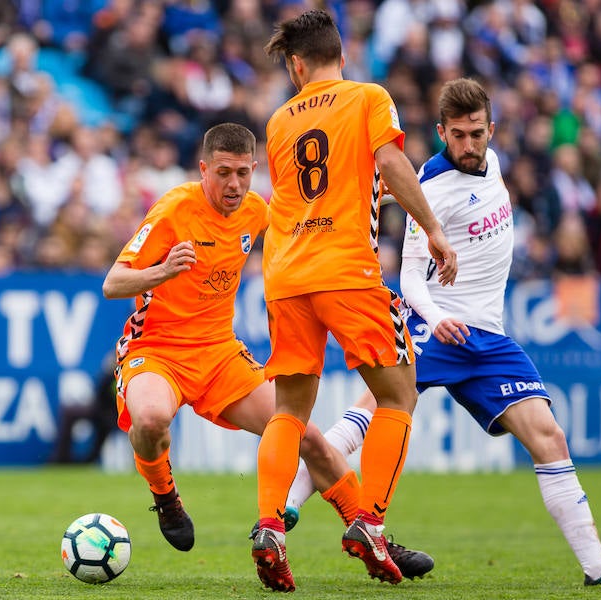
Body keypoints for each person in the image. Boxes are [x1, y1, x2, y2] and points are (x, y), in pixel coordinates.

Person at [285, 77, 601, 588]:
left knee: (549, 435)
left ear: (492, 130)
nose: (468, 145)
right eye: (458, 135)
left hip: (489, 338)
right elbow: (410, 276)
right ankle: (287, 507)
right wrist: (437, 319)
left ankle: (600, 569)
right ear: (441, 131)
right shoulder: (433, 188)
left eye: (477, 134)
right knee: (375, 410)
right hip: (434, 326)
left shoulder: (494, 163)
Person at [101, 122, 432, 578]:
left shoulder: (257, 209)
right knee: (152, 419)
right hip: (157, 350)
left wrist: (377, 196)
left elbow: (314, 215)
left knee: (308, 438)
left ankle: (372, 534)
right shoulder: (174, 209)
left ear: (254, 170)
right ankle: (166, 496)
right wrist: (160, 273)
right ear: (203, 170)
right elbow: (112, 283)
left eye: (241, 173)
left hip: (220, 354)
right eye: (222, 173)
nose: (233, 184)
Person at [252, 9, 457, 592]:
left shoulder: (278, 121)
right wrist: (434, 229)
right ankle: (368, 522)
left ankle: (269, 525)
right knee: (398, 392)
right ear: (340, 54)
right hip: (346, 269)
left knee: (289, 410)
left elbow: (306, 195)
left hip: (286, 275)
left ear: (296, 65)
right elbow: (389, 164)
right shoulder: (368, 96)